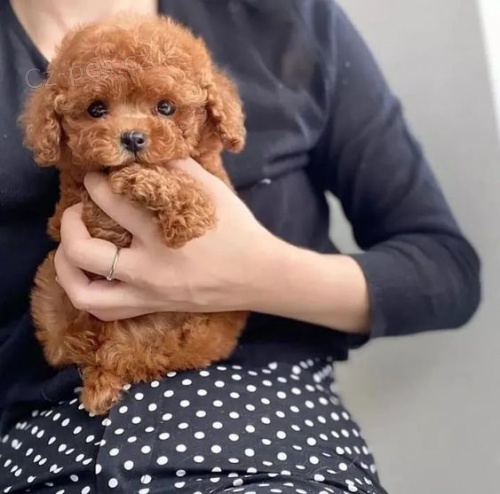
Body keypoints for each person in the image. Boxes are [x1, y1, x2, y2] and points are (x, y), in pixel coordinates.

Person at [0, 0, 481, 492]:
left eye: (164, 107)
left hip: (266, 423)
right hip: (45, 438)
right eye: (98, 109)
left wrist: (258, 275)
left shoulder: (287, 18)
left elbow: (446, 271)